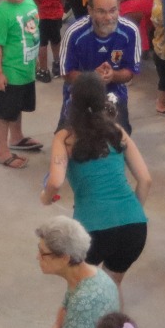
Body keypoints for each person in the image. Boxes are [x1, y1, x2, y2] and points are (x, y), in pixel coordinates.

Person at [43, 74, 151, 291]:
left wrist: (45, 197)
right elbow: (145, 179)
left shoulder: (65, 138)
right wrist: (131, 212)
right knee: (111, 288)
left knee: (82, 292)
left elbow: (55, 181)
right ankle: (116, 326)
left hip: (92, 230)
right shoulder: (117, 132)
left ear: (72, 100)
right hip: (134, 226)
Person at [59, 0, 142, 133]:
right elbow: (66, 73)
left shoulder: (130, 32)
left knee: (121, 140)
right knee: (66, 139)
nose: (108, 17)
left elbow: (130, 71)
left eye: (113, 10)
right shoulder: (74, 33)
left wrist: (113, 76)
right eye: (101, 11)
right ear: (90, 11)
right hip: (79, 94)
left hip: (114, 93)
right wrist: (92, 79)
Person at [0, 0, 41, 169]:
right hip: (10, 73)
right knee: (4, 113)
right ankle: (2, 151)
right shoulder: (0, 13)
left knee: (18, 107)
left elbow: (32, 33)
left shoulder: (30, 3)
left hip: (26, 70)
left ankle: (17, 138)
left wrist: (36, 58)